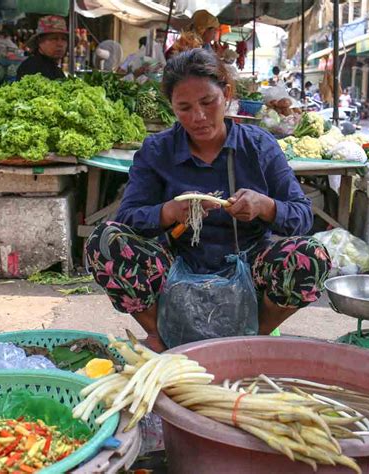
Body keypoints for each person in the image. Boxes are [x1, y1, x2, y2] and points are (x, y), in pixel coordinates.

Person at [86, 49, 331, 352]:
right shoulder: (157, 150)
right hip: (176, 263)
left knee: (311, 256)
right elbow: (127, 218)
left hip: (249, 261)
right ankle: (161, 334)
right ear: (171, 106)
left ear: (226, 94)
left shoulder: (258, 145)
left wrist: (264, 206)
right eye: (184, 107)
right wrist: (168, 212)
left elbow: (302, 216)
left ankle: (254, 334)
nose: (198, 117)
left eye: (207, 102)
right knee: (105, 242)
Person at [17, 15, 68, 81]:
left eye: (64, 39)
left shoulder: (54, 68)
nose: (60, 44)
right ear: (39, 41)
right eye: (54, 39)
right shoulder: (32, 68)